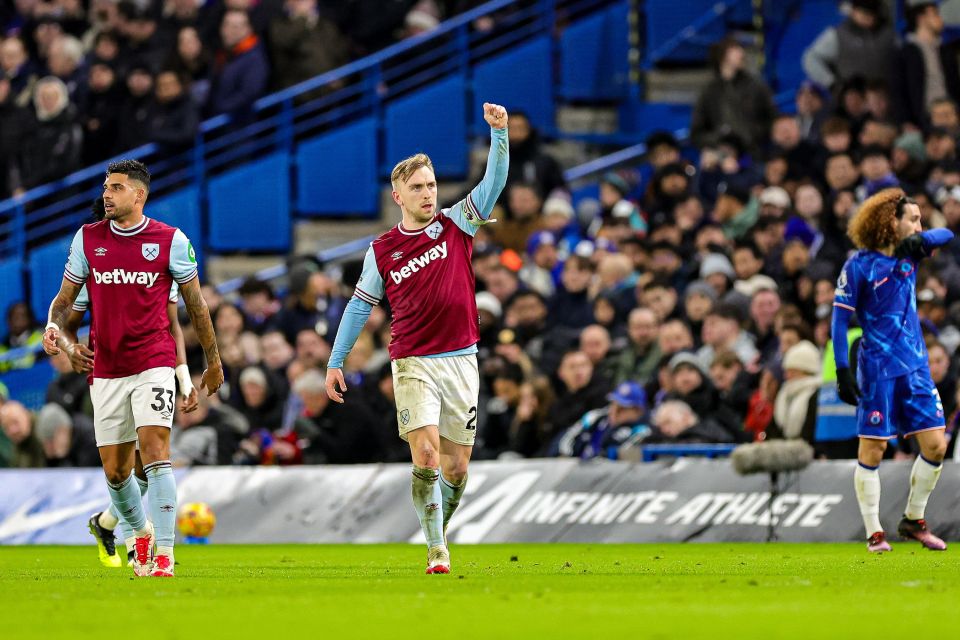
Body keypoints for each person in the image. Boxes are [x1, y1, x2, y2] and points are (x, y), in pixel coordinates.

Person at [325, 102, 509, 575]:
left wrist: (499, 134)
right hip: (413, 361)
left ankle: (436, 530)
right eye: (418, 188)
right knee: (426, 454)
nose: (428, 194)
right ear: (398, 194)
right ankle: (436, 550)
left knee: (458, 469)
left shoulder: (457, 224)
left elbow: (493, 184)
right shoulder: (381, 250)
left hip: (462, 360)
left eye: (431, 185)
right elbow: (360, 306)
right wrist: (336, 361)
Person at [44, 160, 223, 577]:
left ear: (138, 195)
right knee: (118, 470)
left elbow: (192, 308)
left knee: (156, 452)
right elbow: (65, 301)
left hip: (153, 361)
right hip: (106, 368)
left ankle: (163, 554)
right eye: (106, 187)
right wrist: (59, 335)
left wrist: (209, 363)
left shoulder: (170, 241)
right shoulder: (88, 241)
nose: (106, 194)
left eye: (116, 187)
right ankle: (136, 530)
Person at [832, 188, 953, 553]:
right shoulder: (858, 266)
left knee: (936, 445)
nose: (919, 225)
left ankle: (913, 520)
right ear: (891, 222)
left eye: (920, 218)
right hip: (878, 368)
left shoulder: (913, 253)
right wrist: (842, 370)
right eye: (913, 219)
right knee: (874, 449)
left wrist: (918, 241)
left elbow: (947, 234)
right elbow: (840, 322)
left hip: (916, 367)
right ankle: (874, 532)